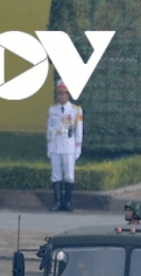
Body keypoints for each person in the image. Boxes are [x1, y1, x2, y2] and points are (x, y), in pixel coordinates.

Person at [47, 81, 83, 212]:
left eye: (63, 94)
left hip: (69, 145)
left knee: (68, 175)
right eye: (59, 94)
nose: (60, 97)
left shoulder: (75, 110)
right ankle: (57, 202)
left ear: (68, 95)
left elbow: (78, 130)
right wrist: (49, 147)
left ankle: (67, 203)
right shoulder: (52, 110)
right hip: (56, 145)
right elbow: (49, 129)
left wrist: (78, 148)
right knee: (56, 175)